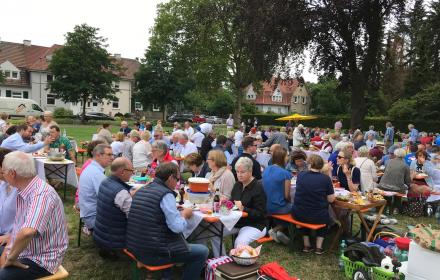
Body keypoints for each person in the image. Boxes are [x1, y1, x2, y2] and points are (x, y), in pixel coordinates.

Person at [126, 163, 209, 280]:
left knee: (179, 239)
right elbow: (177, 227)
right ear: (170, 178)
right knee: (202, 251)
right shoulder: (166, 195)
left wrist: (173, 211)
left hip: (134, 245)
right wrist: (184, 215)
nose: (177, 182)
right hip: (153, 252)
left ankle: (168, 274)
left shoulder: (142, 189)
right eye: (177, 179)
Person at [0, 151, 68, 279]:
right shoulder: (24, 188)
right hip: (27, 250)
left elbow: (27, 232)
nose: (2, 175)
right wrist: (8, 250)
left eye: (3, 172)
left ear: (12, 174)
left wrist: (11, 258)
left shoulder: (41, 194)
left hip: (41, 259)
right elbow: (18, 228)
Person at [208, 157, 266, 257]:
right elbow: (232, 203)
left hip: (255, 224)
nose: (239, 174)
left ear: (250, 171)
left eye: (242, 172)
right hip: (237, 222)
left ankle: (238, 266)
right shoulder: (237, 185)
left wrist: (244, 208)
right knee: (215, 232)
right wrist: (223, 205)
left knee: (239, 243)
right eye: (237, 172)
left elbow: (260, 214)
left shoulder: (258, 187)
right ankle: (221, 260)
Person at [291, 154, 335, 255]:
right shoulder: (325, 179)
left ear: (310, 164)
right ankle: (319, 247)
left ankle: (307, 245)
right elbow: (331, 199)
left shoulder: (301, 175)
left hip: (298, 214)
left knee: (307, 209)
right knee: (324, 216)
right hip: (317, 216)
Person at [94, 158, 134, 259]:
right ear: (123, 172)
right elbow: (134, 218)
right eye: (131, 171)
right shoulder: (121, 193)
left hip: (101, 233)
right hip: (116, 239)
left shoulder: (105, 182)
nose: (132, 174)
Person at [78, 144, 113, 231]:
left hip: (88, 214)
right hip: (94, 219)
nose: (112, 158)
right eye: (109, 155)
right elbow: (110, 199)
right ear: (98, 155)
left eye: (112, 155)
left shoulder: (91, 168)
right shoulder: (96, 174)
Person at [262, 148, 292, 244]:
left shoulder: (266, 170)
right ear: (282, 158)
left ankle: (279, 231)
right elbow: (287, 195)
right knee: (297, 210)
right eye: (287, 156)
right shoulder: (286, 174)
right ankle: (276, 229)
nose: (288, 158)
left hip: (265, 205)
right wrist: (290, 201)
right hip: (278, 207)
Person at [378, 148, 411, 214]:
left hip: (383, 185)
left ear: (395, 154)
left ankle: (387, 207)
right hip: (397, 188)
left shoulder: (388, 161)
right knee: (400, 189)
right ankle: (396, 208)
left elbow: (385, 172)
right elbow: (407, 180)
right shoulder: (405, 166)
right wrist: (409, 185)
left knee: (389, 191)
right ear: (404, 155)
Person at [0, 148, 14, 256]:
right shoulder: (3, 184)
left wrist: (10, 236)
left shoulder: (22, 190)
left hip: (13, 239)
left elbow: (31, 229)